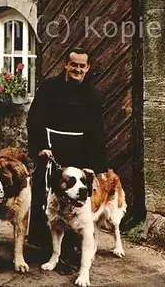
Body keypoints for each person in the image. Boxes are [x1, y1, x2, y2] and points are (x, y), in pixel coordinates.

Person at [26, 46, 108, 267]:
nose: (77, 69)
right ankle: (43, 244)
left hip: (80, 154)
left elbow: (97, 132)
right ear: (66, 65)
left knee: (76, 200)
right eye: (74, 65)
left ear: (88, 67)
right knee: (45, 197)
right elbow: (35, 119)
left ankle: (72, 249)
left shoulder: (93, 96)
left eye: (82, 66)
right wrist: (41, 146)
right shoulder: (49, 88)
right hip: (51, 151)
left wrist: (93, 165)